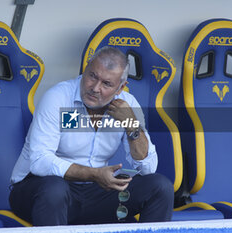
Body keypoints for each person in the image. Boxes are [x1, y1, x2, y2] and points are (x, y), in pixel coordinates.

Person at [9, 46, 174, 226]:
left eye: (107, 84)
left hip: (95, 192)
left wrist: (132, 125)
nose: (95, 88)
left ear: (120, 87)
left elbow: (147, 168)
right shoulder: (57, 98)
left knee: (160, 187)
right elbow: (39, 162)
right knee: (54, 189)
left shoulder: (128, 105)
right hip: (39, 191)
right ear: (85, 69)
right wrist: (94, 174)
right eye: (92, 76)